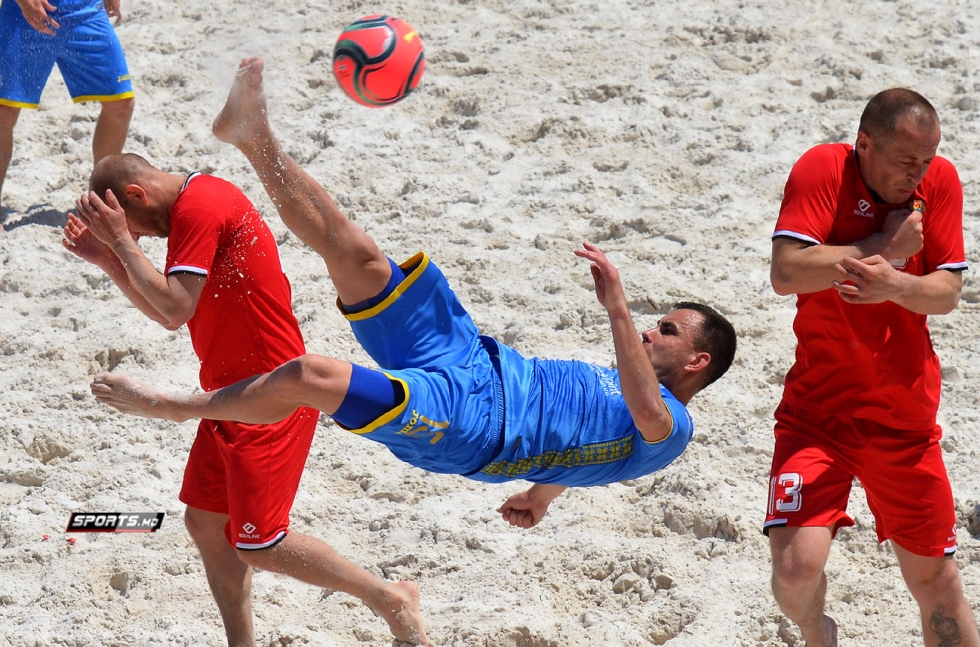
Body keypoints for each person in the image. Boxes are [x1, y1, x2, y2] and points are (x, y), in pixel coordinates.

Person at [89, 57, 737, 536]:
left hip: (470, 424)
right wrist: (542, 497)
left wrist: (617, 308)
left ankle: (181, 407)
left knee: (312, 373)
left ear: (696, 364)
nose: (652, 332)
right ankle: (255, 136)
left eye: (668, 332)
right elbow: (587, 445)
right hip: (479, 360)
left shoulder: (670, 427)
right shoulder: (624, 411)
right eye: (654, 323)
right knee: (362, 259)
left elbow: (644, 414)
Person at [63, 163, 427, 640]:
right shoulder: (189, 208)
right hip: (224, 396)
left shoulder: (201, 207)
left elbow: (173, 305)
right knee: (207, 524)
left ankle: (390, 596)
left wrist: (120, 244)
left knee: (261, 544)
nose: (139, 238)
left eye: (131, 224)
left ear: (137, 194)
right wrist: (111, 256)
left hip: (271, 394)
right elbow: (170, 312)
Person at [766, 88, 978, 647]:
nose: (918, 174)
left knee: (936, 579)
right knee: (794, 570)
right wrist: (882, 245)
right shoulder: (822, 168)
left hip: (903, 417)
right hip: (817, 412)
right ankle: (818, 630)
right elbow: (787, 271)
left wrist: (895, 284)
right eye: (906, 161)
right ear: (863, 145)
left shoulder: (940, 183)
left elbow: (947, 292)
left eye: (927, 160)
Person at [0, 0, 135, 230]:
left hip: (85, 11)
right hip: (25, 13)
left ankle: (100, 203)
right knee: (3, 114)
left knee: (120, 105)